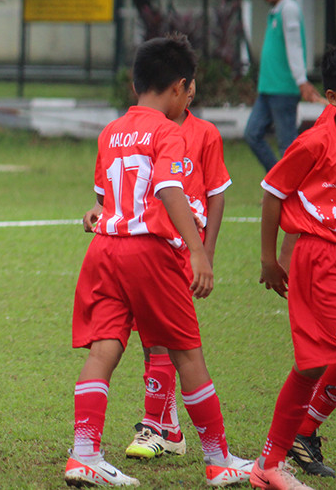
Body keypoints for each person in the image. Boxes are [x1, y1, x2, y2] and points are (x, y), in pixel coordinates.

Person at [66, 35, 252, 487]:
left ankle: (84, 454)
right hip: (148, 250)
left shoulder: (111, 131)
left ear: (135, 85)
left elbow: (108, 197)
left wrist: (99, 213)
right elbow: (168, 188)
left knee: (104, 349)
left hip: (104, 249)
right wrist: (197, 250)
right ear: (179, 88)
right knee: (188, 352)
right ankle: (219, 459)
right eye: (189, 90)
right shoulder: (170, 131)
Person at [84, 74, 232, 461]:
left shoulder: (202, 133)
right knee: (162, 344)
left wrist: (204, 252)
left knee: (162, 342)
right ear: (178, 86)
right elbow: (117, 193)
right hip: (151, 244)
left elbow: (214, 194)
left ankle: (154, 427)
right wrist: (98, 210)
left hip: (171, 246)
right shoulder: (148, 130)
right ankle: (174, 432)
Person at [248, 42, 336, 490]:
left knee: (311, 367)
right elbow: (274, 192)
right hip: (321, 259)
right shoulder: (316, 142)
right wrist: (269, 259)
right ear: (332, 97)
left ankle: (268, 464)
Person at [244, 0, 324, 171]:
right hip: (268, 87)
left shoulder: (289, 9)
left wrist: (301, 81)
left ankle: (293, 187)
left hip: (284, 88)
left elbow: (295, 46)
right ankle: (277, 182)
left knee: (287, 146)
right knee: (252, 134)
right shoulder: (277, 10)